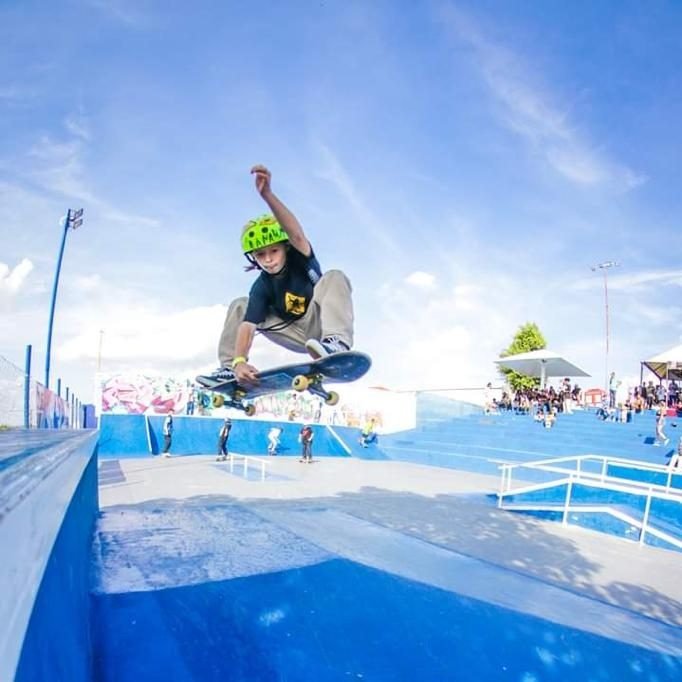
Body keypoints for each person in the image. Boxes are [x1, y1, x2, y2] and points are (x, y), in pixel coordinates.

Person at [196, 164, 354, 389]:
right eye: (261, 255)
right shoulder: (261, 286)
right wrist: (240, 361)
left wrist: (267, 195)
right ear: (254, 258)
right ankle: (230, 370)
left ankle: (337, 343)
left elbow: (296, 234)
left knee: (334, 276)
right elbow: (248, 326)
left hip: (318, 325)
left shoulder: (300, 258)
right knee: (241, 304)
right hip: (290, 332)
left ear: (285, 248)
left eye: (274, 251)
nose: (269, 259)